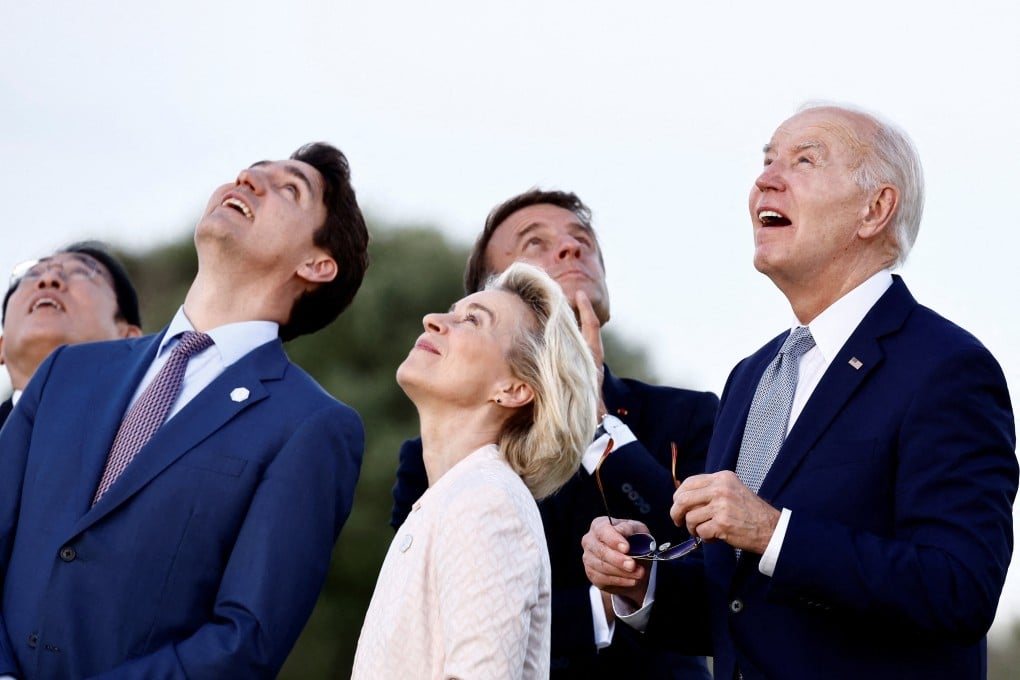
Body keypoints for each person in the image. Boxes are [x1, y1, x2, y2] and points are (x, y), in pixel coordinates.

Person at [582, 103, 1018, 679]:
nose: (765, 179)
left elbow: (958, 590)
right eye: (766, 161)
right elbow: (737, 608)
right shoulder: (752, 375)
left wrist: (771, 530)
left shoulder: (946, 369)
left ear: (875, 209)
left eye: (804, 160)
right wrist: (642, 583)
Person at [0, 142, 370, 679]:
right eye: (252, 170)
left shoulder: (311, 426)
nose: (249, 178)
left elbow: (246, 639)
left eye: (289, 188)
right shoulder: (65, 373)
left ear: (317, 264)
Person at [391, 189, 718, 677]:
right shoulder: (436, 455)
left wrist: (591, 420)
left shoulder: (688, 414)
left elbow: (707, 569)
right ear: (494, 292)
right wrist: (600, 607)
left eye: (582, 239)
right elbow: (433, 615)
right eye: (535, 244)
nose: (570, 249)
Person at [353, 262, 599, 678]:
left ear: (515, 388)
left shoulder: (488, 503)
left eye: (471, 320)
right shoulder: (450, 499)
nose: (433, 320)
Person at [0, 242, 142, 427]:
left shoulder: (158, 426)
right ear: (2, 346)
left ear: (129, 338)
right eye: (32, 274)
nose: (48, 278)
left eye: (80, 272)